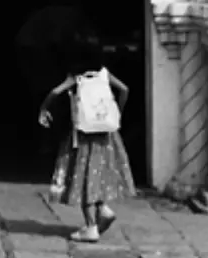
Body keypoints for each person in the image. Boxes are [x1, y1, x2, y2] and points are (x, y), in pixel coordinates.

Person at [38, 32, 135, 242]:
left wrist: (44, 110)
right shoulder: (104, 74)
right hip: (105, 135)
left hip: (82, 136)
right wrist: (116, 111)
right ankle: (103, 209)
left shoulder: (76, 77)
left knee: (83, 178)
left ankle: (91, 226)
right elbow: (125, 90)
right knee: (97, 173)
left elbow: (55, 93)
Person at [15, 0, 91, 146]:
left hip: (32, 52)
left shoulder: (50, 13)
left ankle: (45, 136)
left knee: (43, 94)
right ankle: (48, 138)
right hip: (39, 54)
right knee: (50, 94)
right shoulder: (66, 15)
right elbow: (59, 40)